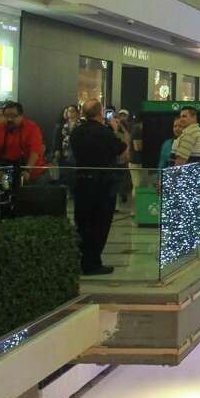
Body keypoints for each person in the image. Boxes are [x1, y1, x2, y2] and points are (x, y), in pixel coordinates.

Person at [69, 102, 126, 275]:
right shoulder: (105, 132)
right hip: (102, 184)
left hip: (81, 182)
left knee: (82, 223)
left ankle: (81, 259)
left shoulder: (76, 132)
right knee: (99, 224)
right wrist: (115, 130)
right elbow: (121, 150)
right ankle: (92, 262)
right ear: (100, 112)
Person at [0, 101, 48, 186]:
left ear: (21, 116)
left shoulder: (32, 128)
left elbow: (35, 151)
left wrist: (27, 170)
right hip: (8, 171)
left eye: (13, 116)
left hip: (33, 172)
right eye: (6, 116)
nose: (9, 119)